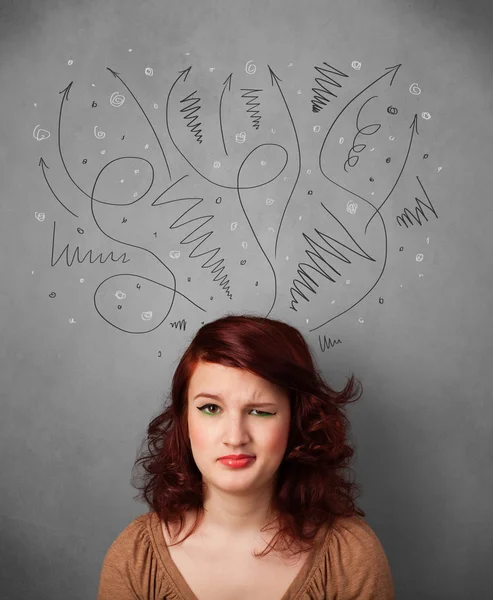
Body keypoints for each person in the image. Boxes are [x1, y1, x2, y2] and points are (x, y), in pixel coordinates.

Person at [97, 314, 395, 599]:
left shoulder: (351, 555)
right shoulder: (135, 556)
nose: (235, 437)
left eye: (260, 411)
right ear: (184, 420)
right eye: (211, 408)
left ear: (297, 421)